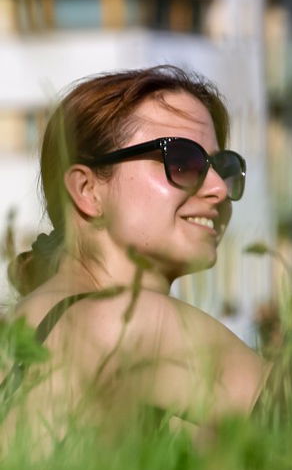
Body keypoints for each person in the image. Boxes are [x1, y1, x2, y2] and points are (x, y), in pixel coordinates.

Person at [2, 67, 262, 444]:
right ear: (87, 189)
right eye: (183, 162)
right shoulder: (128, 324)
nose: (219, 189)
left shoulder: (27, 326)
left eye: (224, 167)